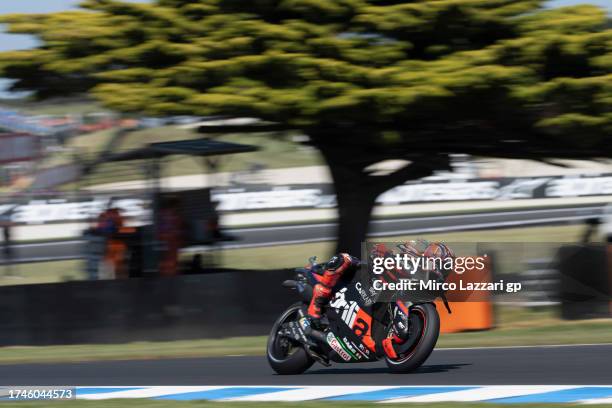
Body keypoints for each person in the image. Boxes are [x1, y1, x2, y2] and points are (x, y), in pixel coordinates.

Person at [306, 241, 454, 358]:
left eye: (446, 268)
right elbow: (382, 249)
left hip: (377, 301)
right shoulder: (411, 256)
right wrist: (383, 253)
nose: (442, 269)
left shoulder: (431, 283)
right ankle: (317, 303)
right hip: (363, 279)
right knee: (344, 258)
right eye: (442, 263)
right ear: (432, 255)